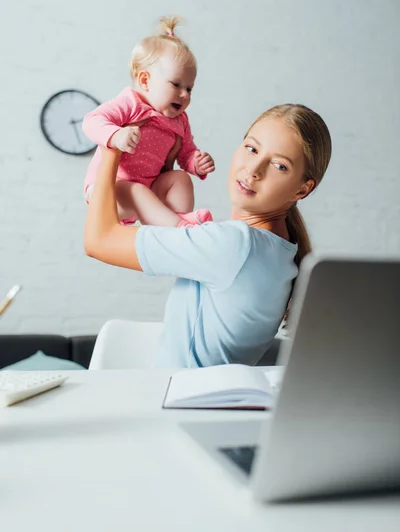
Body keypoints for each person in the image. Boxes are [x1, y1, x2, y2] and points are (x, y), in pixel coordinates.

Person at [84, 104, 332, 368]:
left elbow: (98, 241)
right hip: (203, 402)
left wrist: (110, 145)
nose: (254, 170)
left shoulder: (233, 244)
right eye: (252, 148)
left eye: (279, 166)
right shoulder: (282, 251)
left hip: (182, 403)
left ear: (302, 190)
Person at [82, 16, 215, 227]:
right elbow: (91, 121)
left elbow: (186, 152)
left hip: (149, 192)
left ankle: (177, 219)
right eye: (176, 84)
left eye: (189, 88)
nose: (184, 95)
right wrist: (116, 135)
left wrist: (195, 164)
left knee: (181, 179)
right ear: (145, 81)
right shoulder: (131, 103)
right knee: (135, 189)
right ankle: (179, 228)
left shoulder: (180, 121)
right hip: (109, 192)